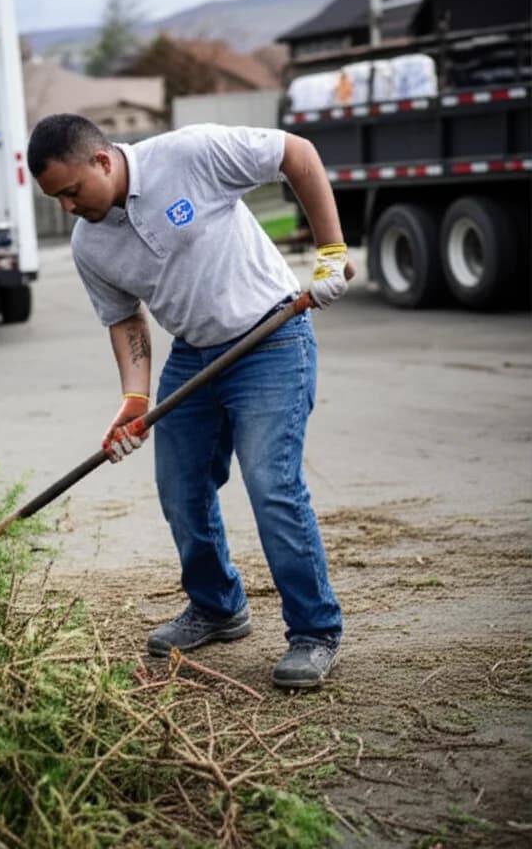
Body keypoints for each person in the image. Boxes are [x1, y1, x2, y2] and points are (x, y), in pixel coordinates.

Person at [27, 115, 354, 689]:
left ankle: (314, 631)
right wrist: (134, 397)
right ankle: (218, 607)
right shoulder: (89, 243)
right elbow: (124, 317)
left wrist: (329, 250)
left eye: (71, 192)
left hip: (272, 336)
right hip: (194, 355)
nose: (68, 208)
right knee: (180, 487)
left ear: (102, 161)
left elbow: (295, 153)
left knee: (271, 484)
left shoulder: (190, 154)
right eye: (57, 199)